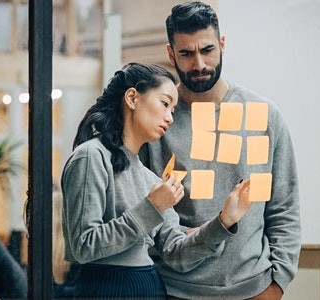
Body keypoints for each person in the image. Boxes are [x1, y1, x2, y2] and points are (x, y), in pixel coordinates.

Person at [139, 2, 302, 299]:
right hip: (174, 290)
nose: (199, 64)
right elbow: (145, 212)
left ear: (222, 45)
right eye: (186, 53)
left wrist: (277, 284)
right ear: (170, 53)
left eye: (207, 50)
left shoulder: (264, 115)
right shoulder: (157, 123)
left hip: (253, 288)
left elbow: (284, 208)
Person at [61, 62, 253, 299]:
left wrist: (224, 221)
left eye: (173, 110)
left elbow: (176, 254)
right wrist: (151, 207)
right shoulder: (91, 156)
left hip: (150, 287)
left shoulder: (149, 177)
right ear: (132, 97)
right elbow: (84, 246)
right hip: (104, 288)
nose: (170, 118)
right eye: (164, 104)